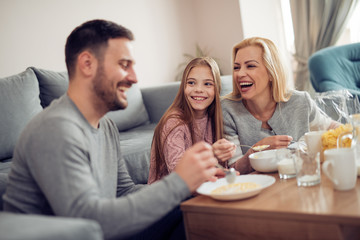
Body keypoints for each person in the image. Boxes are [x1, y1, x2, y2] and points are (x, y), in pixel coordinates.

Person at [3, 19, 219, 240]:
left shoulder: (105, 124)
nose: (134, 78)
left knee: (196, 211)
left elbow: (123, 190)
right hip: (81, 233)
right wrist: (179, 183)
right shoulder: (54, 130)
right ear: (87, 64)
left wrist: (194, 188)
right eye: (124, 65)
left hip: (99, 229)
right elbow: (89, 223)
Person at [222, 37, 340, 174]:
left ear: (271, 72)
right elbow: (233, 170)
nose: (240, 74)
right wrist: (258, 150)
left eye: (250, 66)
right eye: (236, 67)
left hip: (300, 180)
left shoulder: (300, 101)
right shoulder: (227, 109)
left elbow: (332, 128)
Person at [148, 57, 236, 184]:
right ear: (183, 86)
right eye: (191, 83)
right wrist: (211, 153)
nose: (198, 89)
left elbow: (222, 169)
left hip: (206, 187)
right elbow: (179, 176)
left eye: (207, 84)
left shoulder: (215, 118)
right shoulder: (173, 122)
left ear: (217, 88)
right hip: (172, 198)